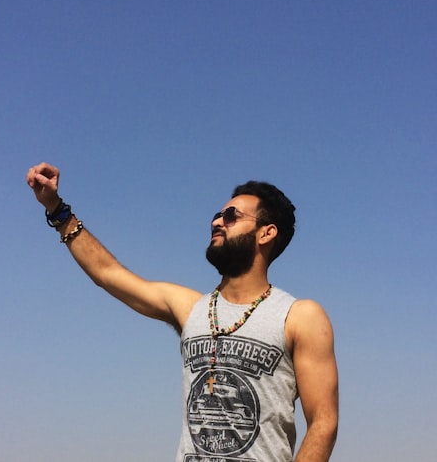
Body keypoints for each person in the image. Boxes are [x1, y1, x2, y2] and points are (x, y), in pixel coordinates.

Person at [27, 162, 338, 462]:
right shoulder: (190, 308)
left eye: (231, 216)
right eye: (217, 215)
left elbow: (323, 422)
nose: (217, 221)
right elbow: (107, 273)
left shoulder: (300, 316)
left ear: (266, 233)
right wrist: (57, 210)